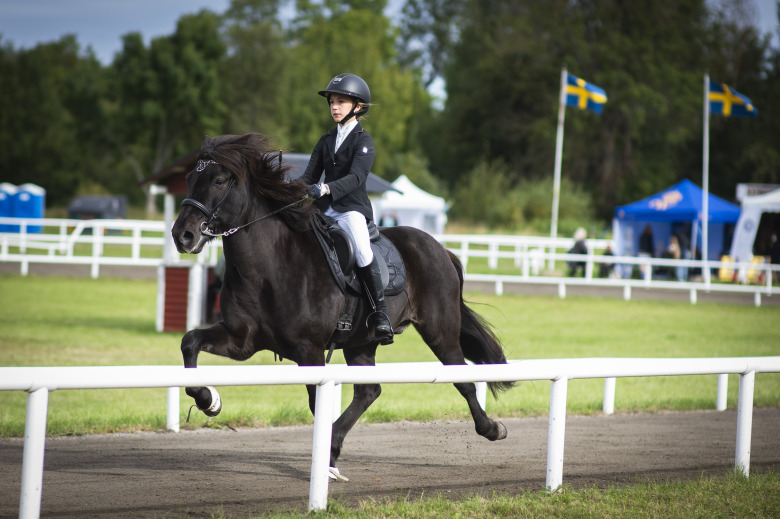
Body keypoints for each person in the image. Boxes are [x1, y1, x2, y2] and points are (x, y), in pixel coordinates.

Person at [301, 73, 393, 345]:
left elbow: (356, 179)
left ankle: (380, 314)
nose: (334, 107)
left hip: (351, 208)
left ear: (358, 106)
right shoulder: (326, 140)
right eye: (332, 102)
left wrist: (326, 188)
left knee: (363, 251)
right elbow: (309, 176)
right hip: (323, 209)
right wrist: (290, 191)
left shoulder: (364, 141)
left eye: (341, 101)